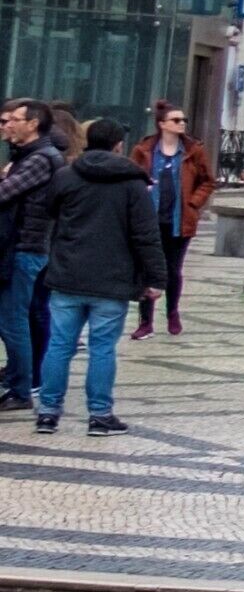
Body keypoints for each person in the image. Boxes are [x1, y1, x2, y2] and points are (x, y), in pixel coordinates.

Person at [36, 114, 163, 435]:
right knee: (102, 348)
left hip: (67, 274)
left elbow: (49, 211)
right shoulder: (134, 183)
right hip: (113, 280)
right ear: (119, 145)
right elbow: (146, 235)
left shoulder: (66, 176)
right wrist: (157, 279)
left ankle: (48, 413)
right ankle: (100, 415)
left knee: (59, 346)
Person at [134, 103, 212, 338]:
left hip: (180, 220)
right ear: (162, 124)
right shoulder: (145, 150)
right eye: (176, 120)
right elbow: (133, 177)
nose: (182, 124)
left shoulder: (193, 150)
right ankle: (145, 320)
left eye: (183, 120)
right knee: (148, 268)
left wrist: (193, 203)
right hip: (151, 218)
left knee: (173, 269)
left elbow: (208, 181)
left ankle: (172, 313)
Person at [0, 103, 60, 409]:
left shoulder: (40, 159)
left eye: (14, 120)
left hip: (26, 249)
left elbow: (4, 194)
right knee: (10, 318)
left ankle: (21, 388)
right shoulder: (27, 156)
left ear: (33, 124)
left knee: (14, 319)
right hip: (17, 247)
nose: (8, 125)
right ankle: (15, 375)